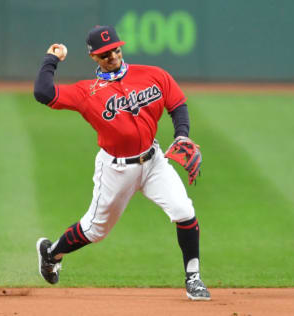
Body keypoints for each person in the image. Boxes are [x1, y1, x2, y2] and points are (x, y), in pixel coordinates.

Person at [33, 25, 211, 301]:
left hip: (154, 162)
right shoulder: (85, 92)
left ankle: (194, 278)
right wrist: (51, 59)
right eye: (105, 54)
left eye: (115, 49)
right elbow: (43, 93)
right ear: (94, 57)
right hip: (115, 168)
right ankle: (51, 253)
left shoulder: (153, 75)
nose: (113, 56)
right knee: (95, 230)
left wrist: (182, 135)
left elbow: (177, 105)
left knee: (183, 210)